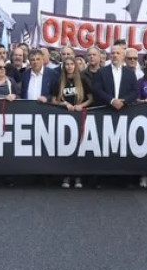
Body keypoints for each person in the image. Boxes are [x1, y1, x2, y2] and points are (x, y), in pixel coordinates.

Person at [52, 57, 92, 189]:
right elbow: (53, 100)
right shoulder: (59, 80)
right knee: (66, 146)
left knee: (80, 145)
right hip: (65, 117)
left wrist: (82, 105)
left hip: (80, 116)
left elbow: (91, 98)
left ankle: (78, 176)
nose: (69, 67)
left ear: (75, 66)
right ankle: (66, 175)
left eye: (71, 64)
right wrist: (64, 103)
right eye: (66, 64)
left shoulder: (83, 79)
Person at [90, 43, 139, 111]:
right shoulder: (101, 72)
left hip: (125, 110)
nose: (115, 55)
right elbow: (97, 90)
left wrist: (124, 101)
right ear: (110, 56)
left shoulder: (130, 73)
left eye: (118, 53)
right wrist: (112, 101)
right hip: (105, 110)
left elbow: (135, 91)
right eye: (113, 53)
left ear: (123, 56)